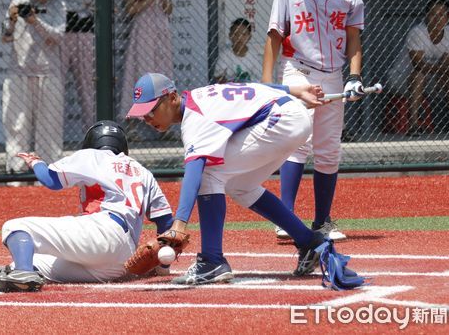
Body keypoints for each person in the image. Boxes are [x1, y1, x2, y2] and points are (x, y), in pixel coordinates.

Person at [126, 72, 330, 285]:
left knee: (209, 173)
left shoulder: (195, 118)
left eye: (151, 110)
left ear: (172, 98)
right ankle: (308, 241)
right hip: (288, 116)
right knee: (241, 186)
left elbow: (195, 171)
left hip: (281, 120)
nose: (147, 119)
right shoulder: (200, 97)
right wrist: (293, 91)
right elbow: (249, 88)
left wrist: (179, 223)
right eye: (143, 114)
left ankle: (212, 261)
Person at [0, 120, 174, 292]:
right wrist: (162, 267)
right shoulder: (143, 171)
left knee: (15, 226)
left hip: (102, 232)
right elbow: (165, 221)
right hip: (120, 261)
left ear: (91, 143)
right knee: (35, 262)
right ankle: (19, 270)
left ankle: (21, 274)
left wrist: (36, 162)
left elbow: (50, 180)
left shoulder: (92, 155)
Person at [262, 0, 365, 241]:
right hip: (298, 72)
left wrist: (355, 76)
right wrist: (268, 85)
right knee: (298, 140)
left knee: (329, 150)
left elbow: (353, 38)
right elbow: (274, 36)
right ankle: (287, 217)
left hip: (334, 74)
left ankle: (322, 221)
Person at [1, 0, 67, 177]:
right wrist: (11, 21)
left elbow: (57, 36)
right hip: (19, 73)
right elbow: (5, 37)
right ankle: (16, 169)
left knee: (50, 127)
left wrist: (34, 21)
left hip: (49, 72)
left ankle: (49, 171)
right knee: (17, 125)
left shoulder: (59, 5)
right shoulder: (18, 3)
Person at [387, 0, 449, 135]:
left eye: (441, 14)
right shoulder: (417, 32)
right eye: (432, 14)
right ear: (426, 16)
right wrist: (445, 69)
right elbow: (418, 64)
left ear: (447, 17)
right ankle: (413, 125)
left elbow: (447, 60)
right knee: (418, 75)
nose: (437, 18)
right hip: (401, 79)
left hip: (430, 78)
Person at [119, 0, 173, 120]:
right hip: (143, 28)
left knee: (162, 71)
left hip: (161, 26)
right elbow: (131, 9)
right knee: (140, 71)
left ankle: (163, 119)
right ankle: (134, 122)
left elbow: (168, 9)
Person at [49, 0, 96, 133]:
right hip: (58, 35)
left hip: (84, 33)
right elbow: (48, 2)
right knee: (55, 87)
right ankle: (53, 135)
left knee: (86, 87)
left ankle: (93, 133)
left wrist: (62, 1)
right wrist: (79, 2)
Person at [213, 18, 263, 83]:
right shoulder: (225, 54)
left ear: (249, 37)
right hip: (230, 88)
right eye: (236, 34)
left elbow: (261, 77)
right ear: (230, 35)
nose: (239, 38)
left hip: (251, 88)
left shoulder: (255, 56)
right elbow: (218, 76)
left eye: (244, 34)